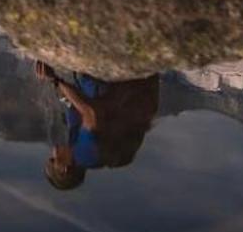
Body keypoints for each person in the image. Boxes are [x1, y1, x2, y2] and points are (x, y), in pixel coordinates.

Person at [34, 61, 161, 190]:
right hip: (129, 86)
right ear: (64, 169)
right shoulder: (85, 155)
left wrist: (55, 84)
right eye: (53, 159)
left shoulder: (74, 142)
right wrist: (56, 81)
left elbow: (73, 106)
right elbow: (91, 113)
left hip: (125, 87)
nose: (53, 151)